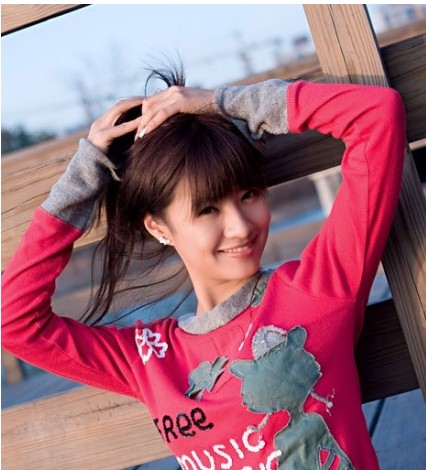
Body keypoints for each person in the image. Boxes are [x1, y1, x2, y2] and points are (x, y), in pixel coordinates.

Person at [2, 65, 406, 469]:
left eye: (249, 195)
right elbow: (14, 321)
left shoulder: (317, 289)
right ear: (159, 227)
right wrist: (85, 173)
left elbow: (377, 115)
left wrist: (220, 102)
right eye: (208, 209)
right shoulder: (151, 360)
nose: (241, 226)